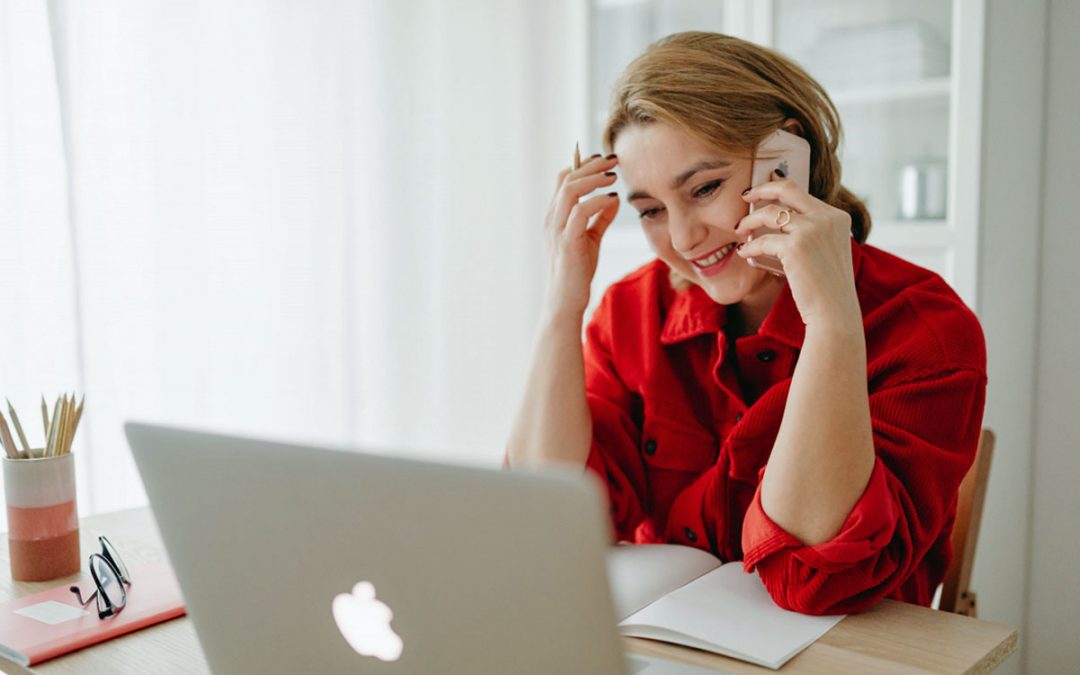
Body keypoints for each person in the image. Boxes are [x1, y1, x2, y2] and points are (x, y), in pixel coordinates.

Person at [505, 32, 986, 616]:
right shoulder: (630, 314)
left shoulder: (924, 329)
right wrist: (562, 301)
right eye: (651, 211)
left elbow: (813, 579)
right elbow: (545, 524)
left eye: (705, 188)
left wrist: (831, 322)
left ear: (787, 161)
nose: (682, 238)